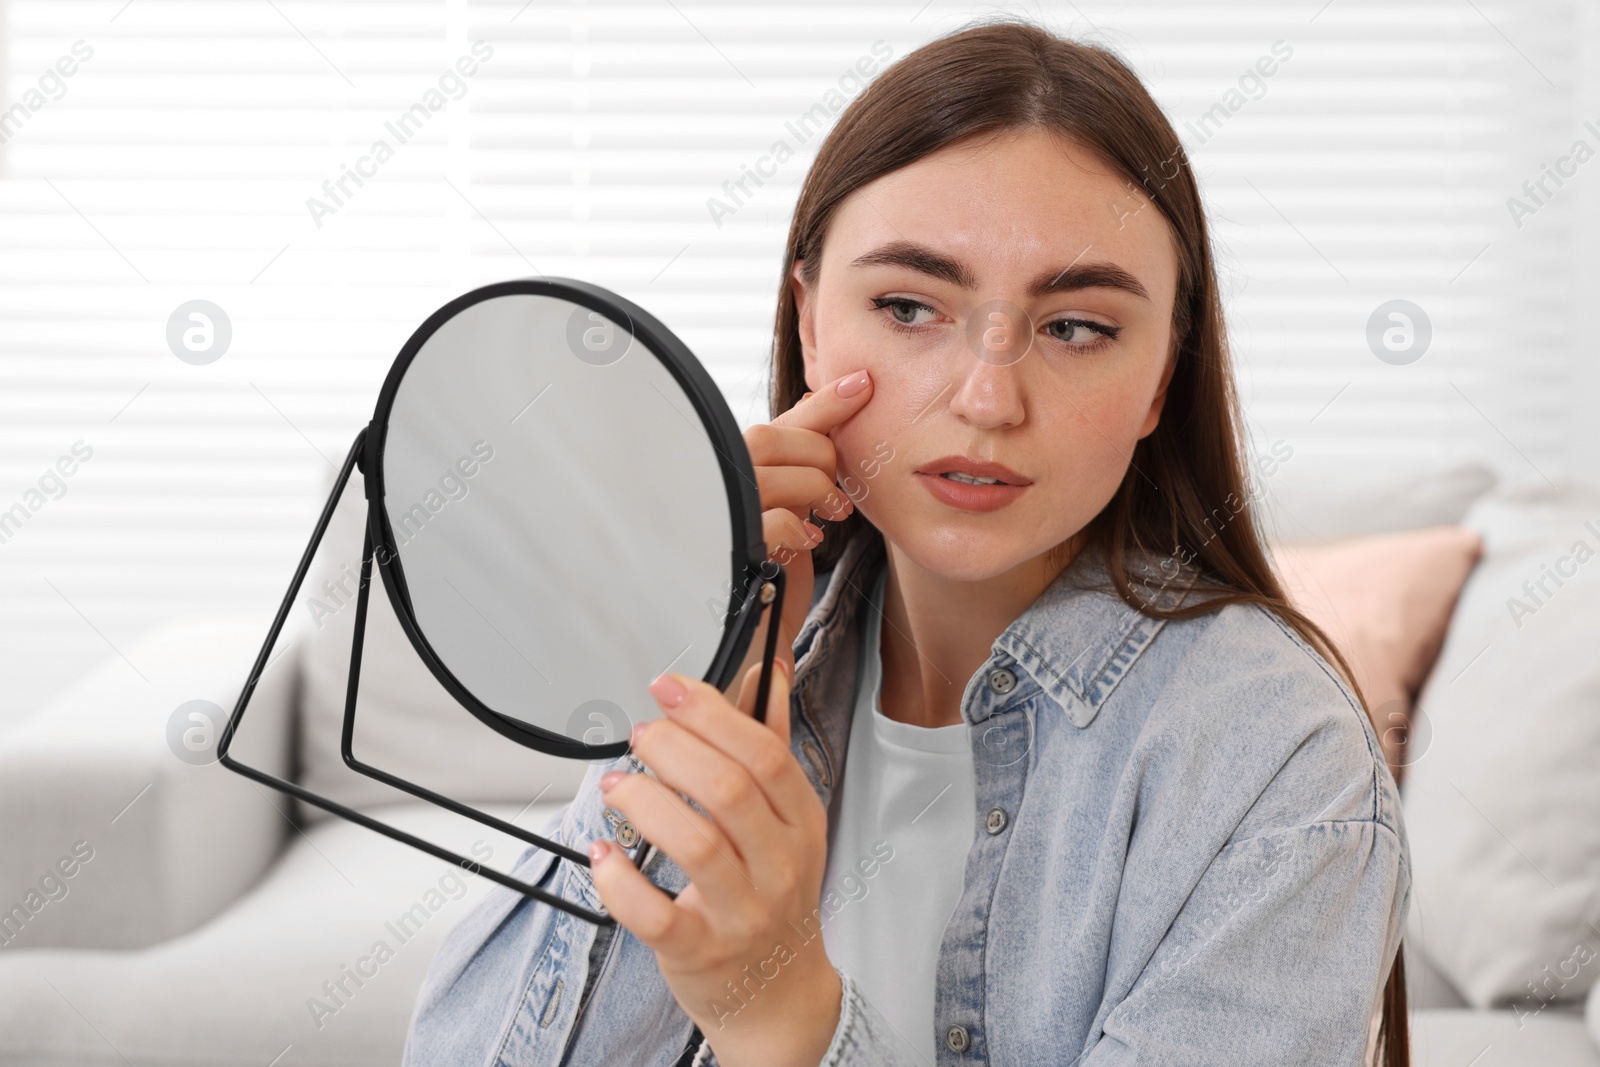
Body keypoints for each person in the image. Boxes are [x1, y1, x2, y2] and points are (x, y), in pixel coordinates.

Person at [402, 17, 1410, 1067]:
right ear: (809, 324)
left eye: (1075, 326)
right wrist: (709, 657)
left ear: (1161, 375)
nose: (987, 397)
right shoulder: (748, 647)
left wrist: (784, 1016)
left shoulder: (1277, 756)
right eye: (908, 305)